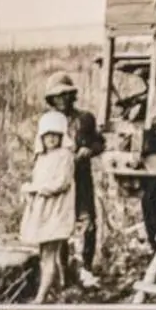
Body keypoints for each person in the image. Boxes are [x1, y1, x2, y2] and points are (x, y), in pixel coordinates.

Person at [43, 72, 104, 287]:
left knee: (85, 219)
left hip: (81, 176)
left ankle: (84, 268)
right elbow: (40, 149)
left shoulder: (85, 118)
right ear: (51, 99)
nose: (62, 100)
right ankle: (62, 271)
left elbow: (100, 143)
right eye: (57, 96)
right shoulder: (48, 122)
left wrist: (89, 149)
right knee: (59, 222)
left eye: (65, 95)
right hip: (58, 178)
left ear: (71, 95)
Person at [20, 110, 77, 303]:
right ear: (41, 138)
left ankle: (40, 298)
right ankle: (56, 289)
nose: (51, 139)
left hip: (56, 211)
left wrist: (36, 189)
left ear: (62, 136)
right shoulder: (42, 158)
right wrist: (29, 192)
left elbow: (61, 183)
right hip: (43, 211)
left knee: (50, 253)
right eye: (47, 135)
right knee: (45, 254)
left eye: (55, 135)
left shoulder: (65, 156)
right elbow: (38, 180)